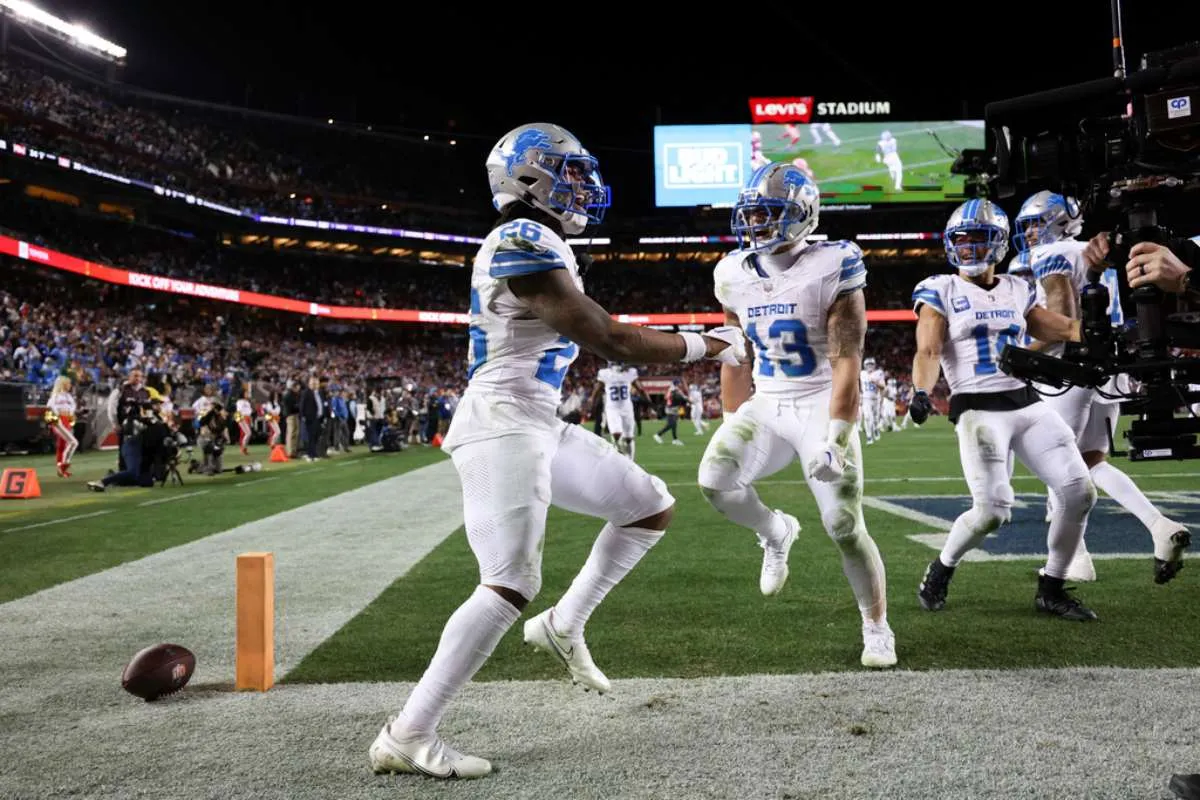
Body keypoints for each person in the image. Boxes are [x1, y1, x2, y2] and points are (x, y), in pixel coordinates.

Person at [369, 122, 745, 780]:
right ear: (529, 179)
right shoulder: (521, 238)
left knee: (647, 505)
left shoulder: (540, 240)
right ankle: (409, 731)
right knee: (510, 581)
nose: (584, 188)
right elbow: (612, 340)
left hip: (536, 419)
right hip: (503, 420)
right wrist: (706, 344)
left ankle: (564, 624)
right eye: (569, 175)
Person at [696, 161, 894, 669]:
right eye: (752, 214)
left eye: (769, 213)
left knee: (844, 524)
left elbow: (847, 358)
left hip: (819, 401)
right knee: (715, 477)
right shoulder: (732, 273)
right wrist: (730, 423)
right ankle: (774, 531)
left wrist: (838, 437)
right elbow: (736, 353)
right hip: (769, 403)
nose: (757, 225)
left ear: (801, 214)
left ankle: (876, 625)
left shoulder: (834, 262)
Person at [908, 198, 1101, 620]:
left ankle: (1052, 586)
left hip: (1027, 402)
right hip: (979, 408)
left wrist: (1089, 332)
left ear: (997, 243)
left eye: (980, 239)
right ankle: (943, 567)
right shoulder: (941, 288)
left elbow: (1056, 327)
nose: (970, 248)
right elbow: (928, 347)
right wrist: (921, 390)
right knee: (992, 511)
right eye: (963, 240)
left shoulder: (1017, 287)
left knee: (1079, 491)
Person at [1010, 191, 1188, 583]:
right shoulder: (1094, 254)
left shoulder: (1050, 255)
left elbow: (1063, 319)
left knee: (1060, 468)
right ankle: (1159, 526)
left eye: (1037, 223)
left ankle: (1074, 561)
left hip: (1070, 370)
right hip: (1108, 369)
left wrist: (1019, 351)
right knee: (1091, 462)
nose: (1031, 233)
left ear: (1060, 221)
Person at [589, 360, 644, 458]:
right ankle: (617, 448)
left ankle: (630, 460)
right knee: (616, 433)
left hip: (627, 408)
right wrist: (592, 400)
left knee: (629, 438)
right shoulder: (605, 374)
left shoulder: (629, 373)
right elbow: (597, 390)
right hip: (612, 408)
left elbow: (640, 389)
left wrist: (647, 399)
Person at [46, 375, 78, 478]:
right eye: (68, 383)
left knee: (62, 444)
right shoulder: (55, 396)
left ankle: (61, 469)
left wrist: (70, 414)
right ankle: (63, 465)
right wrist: (56, 418)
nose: (70, 385)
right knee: (71, 442)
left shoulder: (68, 396)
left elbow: (73, 406)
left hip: (67, 420)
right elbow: (50, 407)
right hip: (59, 420)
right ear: (63, 384)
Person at [652, 380, 686, 445]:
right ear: (676, 384)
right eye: (679, 383)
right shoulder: (674, 389)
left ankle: (675, 440)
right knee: (671, 424)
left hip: (674, 408)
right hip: (671, 409)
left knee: (674, 425)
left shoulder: (672, 389)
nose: (680, 384)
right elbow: (669, 397)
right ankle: (658, 435)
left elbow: (666, 397)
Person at [235, 389, 254, 455]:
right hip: (242, 418)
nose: (247, 394)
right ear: (242, 394)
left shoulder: (247, 402)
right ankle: (243, 448)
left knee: (248, 433)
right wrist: (240, 418)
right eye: (246, 393)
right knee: (248, 433)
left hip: (247, 417)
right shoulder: (240, 401)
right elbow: (239, 410)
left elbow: (250, 411)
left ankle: (244, 448)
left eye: (247, 393)